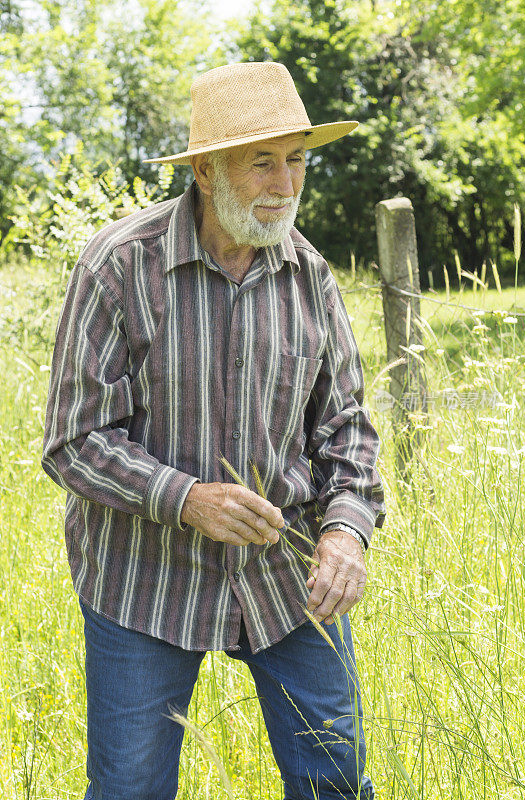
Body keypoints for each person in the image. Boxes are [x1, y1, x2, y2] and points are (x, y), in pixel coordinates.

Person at [42, 61, 386, 800]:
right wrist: (186, 496)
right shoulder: (119, 266)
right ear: (204, 169)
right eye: (261, 161)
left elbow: (348, 429)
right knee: (130, 787)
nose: (285, 184)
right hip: (145, 580)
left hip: (287, 580)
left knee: (336, 780)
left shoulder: (310, 276)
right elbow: (73, 440)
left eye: (296, 160)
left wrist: (345, 533)